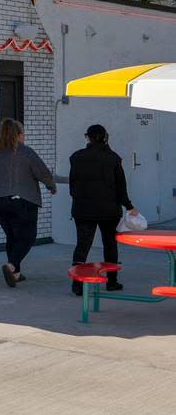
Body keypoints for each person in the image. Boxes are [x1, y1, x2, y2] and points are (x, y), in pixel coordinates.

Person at [69, 124, 141, 295]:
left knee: (82, 246)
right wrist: (129, 206)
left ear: (87, 137)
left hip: (83, 209)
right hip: (108, 211)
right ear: (105, 137)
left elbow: (73, 186)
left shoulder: (76, 157)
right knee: (109, 245)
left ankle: (77, 284)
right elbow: (120, 188)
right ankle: (112, 281)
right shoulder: (113, 158)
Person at [0, 118, 57, 288]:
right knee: (28, 236)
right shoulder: (25, 152)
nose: (24, 136)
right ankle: (11, 266)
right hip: (22, 200)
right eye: (22, 133)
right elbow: (42, 172)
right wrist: (51, 186)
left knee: (12, 236)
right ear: (17, 135)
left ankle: (15, 274)